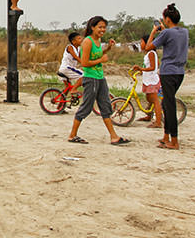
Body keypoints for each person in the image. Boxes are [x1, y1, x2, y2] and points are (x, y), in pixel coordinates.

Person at [67, 16, 129, 146]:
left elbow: (98, 55)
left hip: (100, 77)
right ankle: (72, 135)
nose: (103, 30)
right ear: (92, 27)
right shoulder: (87, 42)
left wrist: (108, 49)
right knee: (86, 107)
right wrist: (101, 61)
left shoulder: (98, 40)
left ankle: (114, 137)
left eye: (104, 27)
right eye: (100, 27)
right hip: (91, 78)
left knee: (105, 106)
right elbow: (84, 63)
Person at [145, 3, 189, 150]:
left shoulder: (166, 33)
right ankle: (165, 137)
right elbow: (173, 39)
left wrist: (153, 32)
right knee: (166, 103)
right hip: (179, 72)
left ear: (167, 19)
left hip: (168, 72)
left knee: (169, 106)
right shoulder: (184, 32)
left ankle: (174, 141)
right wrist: (164, 31)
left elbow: (148, 47)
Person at [133, 35, 162, 128]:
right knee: (149, 98)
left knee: (154, 100)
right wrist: (142, 70)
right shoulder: (148, 54)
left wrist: (141, 69)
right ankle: (149, 116)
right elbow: (156, 64)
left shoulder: (151, 53)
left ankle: (158, 122)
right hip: (148, 79)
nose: (140, 44)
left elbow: (153, 67)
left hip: (152, 81)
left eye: (141, 42)